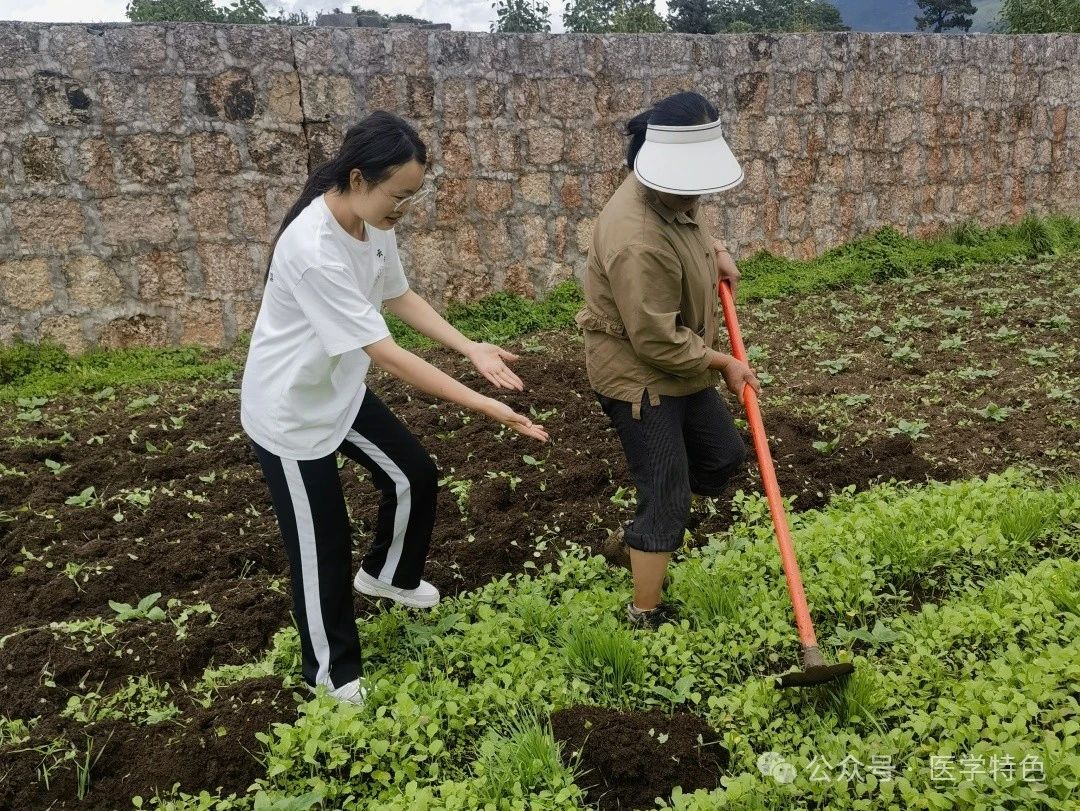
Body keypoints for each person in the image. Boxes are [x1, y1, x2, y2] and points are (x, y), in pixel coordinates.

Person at [240, 112, 548, 705]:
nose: (404, 208)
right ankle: (331, 676)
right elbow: (387, 353)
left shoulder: (371, 223)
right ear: (358, 179)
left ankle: (388, 576)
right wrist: (484, 404)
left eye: (412, 195)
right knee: (321, 546)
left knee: (414, 475)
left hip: (338, 389)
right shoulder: (311, 248)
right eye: (399, 195)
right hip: (291, 412)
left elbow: (398, 294)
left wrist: (469, 347)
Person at [575, 92, 760, 630]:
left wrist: (716, 251)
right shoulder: (637, 237)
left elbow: (690, 227)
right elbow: (654, 340)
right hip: (641, 376)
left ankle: (642, 535)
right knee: (668, 494)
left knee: (723, 457)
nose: (697, 193)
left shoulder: (668, 194)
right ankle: (644, 613)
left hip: (681, 361)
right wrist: (722, 362)